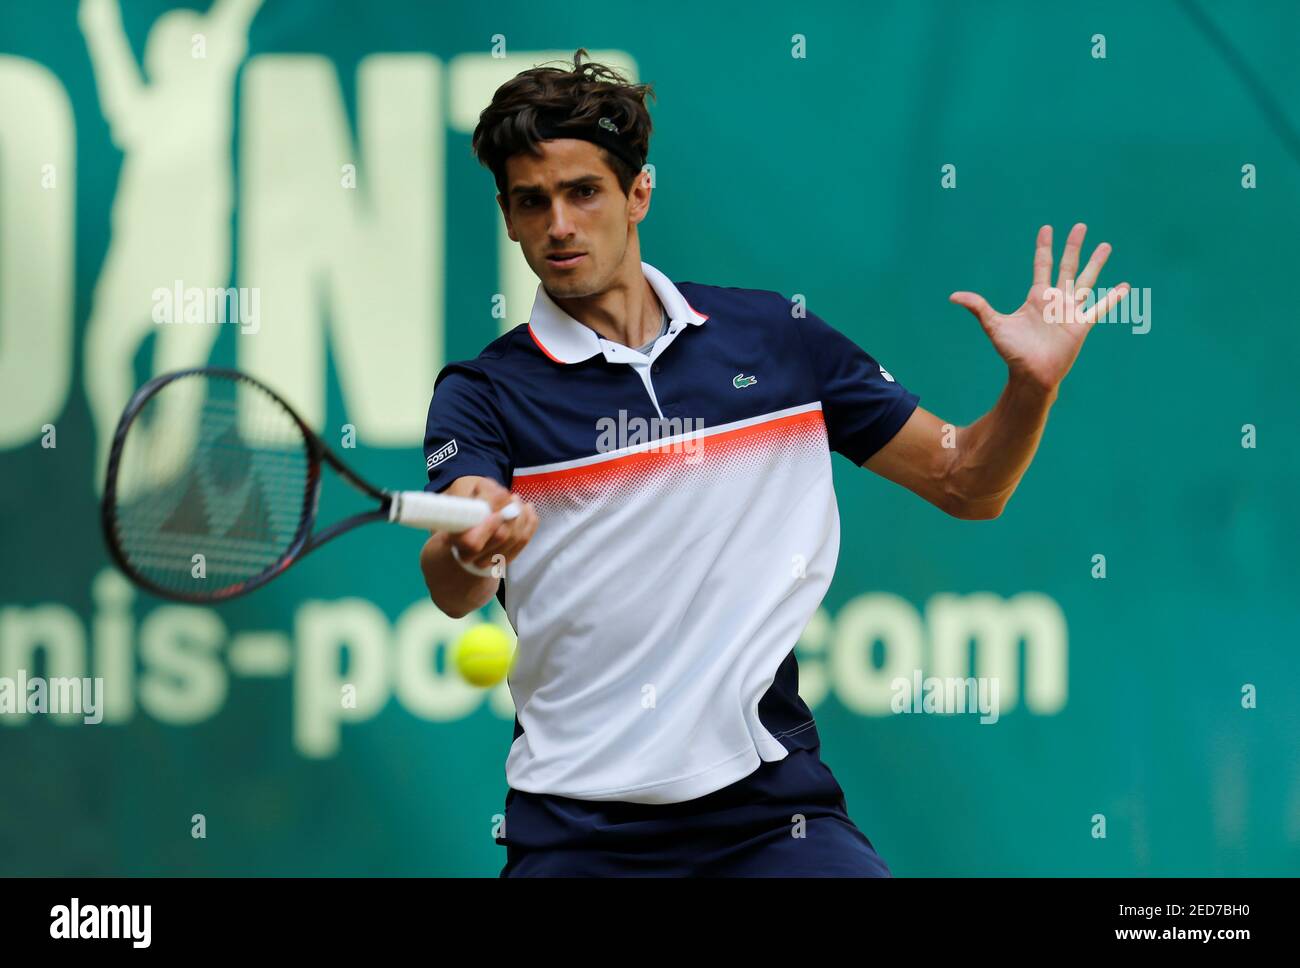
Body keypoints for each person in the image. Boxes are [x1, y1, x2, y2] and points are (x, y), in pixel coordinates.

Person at [418, 49, 1128, 877]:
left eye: (584, 192)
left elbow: (965, 481)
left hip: (769, 815)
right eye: (532, 202)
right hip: (577, 832)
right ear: (507, 216)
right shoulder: (484, 391)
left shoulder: (777, 341)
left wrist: (1030, 389)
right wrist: (475, 545)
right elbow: (453, 572)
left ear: (638, 192)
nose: (560, 225)